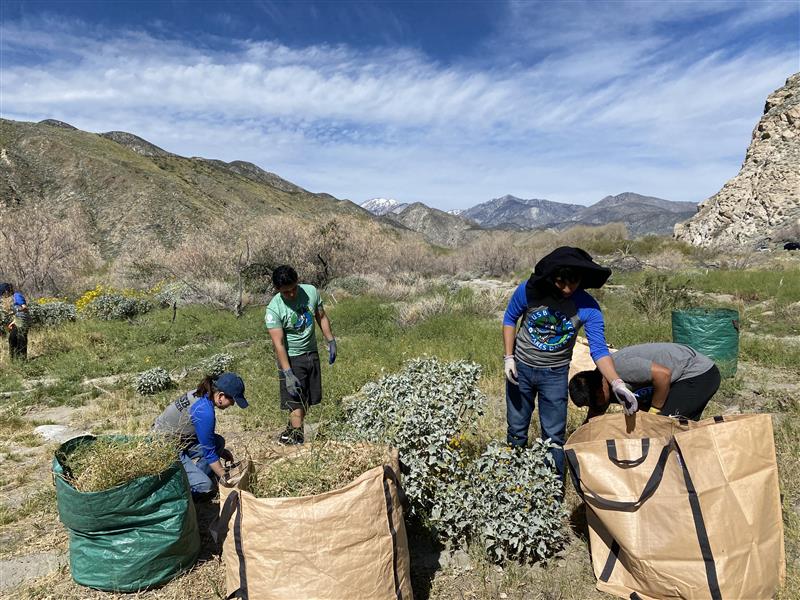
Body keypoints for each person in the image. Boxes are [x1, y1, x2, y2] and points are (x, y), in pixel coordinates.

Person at [502, 247, 637, 481]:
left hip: (554, 375)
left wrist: (617, 383)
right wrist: (508, 357)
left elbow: (599, 350)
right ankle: (514, 485)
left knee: (554, 437)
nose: (566, 289)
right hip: (521, 369)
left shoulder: (589, 308)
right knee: (516, 430)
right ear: (551, 278)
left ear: (581, 280)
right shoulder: (529, 291)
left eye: (572, 283)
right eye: (560, 283)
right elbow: (509, 318)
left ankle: (552, 494)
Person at [265, 265, 336, 445]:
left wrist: (330, 340)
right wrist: (287, 373)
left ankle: (290, 431)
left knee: (308, 399)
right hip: (291, 357)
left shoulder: (310, 292)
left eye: (294, 288)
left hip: (311, 353)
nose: (291, 294)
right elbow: (278, 344)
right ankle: (296, 440)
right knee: (296, 401)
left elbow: (321, 316)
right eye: (286, 292)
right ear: (277, 290)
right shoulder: (274, 309)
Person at [153, 371, 248, 501]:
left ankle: (197, 475)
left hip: (178, 440)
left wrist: (219, 452)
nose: (232, 404)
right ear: (220, 396)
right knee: (205, 487)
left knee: (218, 442)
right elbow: (209, 453)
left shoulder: (202, 394)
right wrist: (227, 480)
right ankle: (183, 490)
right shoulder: (205, 411)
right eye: (232, 400)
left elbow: (205, 440)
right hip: (164, 448)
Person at [569, 342, 721, 422]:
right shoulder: (601, 386)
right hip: (678, 380)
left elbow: (663, 375)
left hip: (697, 374)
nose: (595, 407)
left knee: (662, 426)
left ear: (601, 389)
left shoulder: (619, 368)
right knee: (682, 430)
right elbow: (594, 419)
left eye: (594, 402)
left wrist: (654, 412)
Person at [1, 283, 30, 361]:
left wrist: (16, 311)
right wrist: (13, 322)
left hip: (22, 322)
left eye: (3, 293)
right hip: (18, 320)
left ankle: (21, 360)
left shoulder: (17, 296)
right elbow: (19, 314)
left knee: (20, 340)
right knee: (13, 339)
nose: (3, 296)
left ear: (7, 291)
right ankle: (15, 360)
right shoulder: (14, 297)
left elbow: (25, 308)